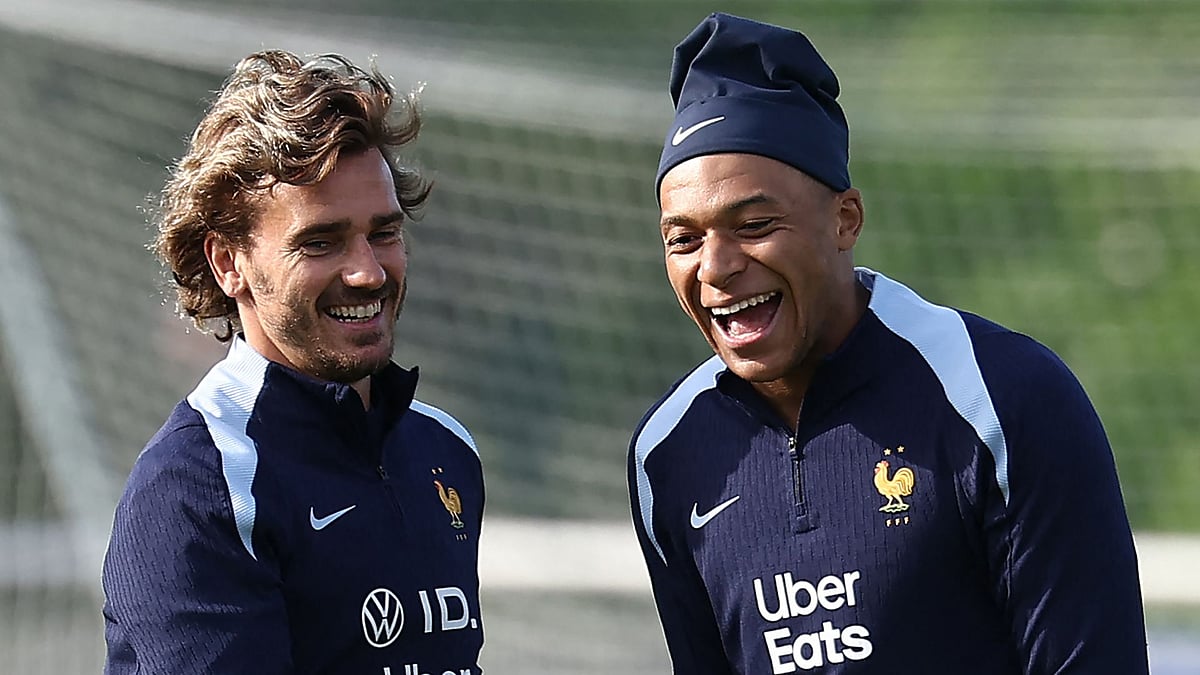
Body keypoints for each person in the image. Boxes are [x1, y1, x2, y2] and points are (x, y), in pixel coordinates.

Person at [628, 13, 1148, 675]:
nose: (716, 266)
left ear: (845, 220)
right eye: (684, 239)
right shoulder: (666, 453)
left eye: (754, 225)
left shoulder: (1003, 398)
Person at [102, 50, 485, 674]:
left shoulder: (445, 450)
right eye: (321, 242)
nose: (367, 272)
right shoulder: (197, 489)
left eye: (383, 233)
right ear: (228, 263)